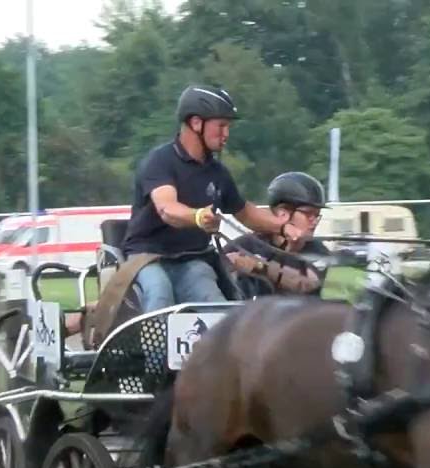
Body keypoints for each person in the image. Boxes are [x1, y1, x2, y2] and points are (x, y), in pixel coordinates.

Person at [123, 84, 311, 312]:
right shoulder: (160, 161)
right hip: (146, 257)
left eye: (228, 127)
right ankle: (153, 348)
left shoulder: (217, 172)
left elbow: (246, 213)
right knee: (159, 290)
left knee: (214, 301)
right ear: (196, 123)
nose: (226, 134)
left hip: (191, 260)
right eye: (221, 126)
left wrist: (283, 227)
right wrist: (199, 216)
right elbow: (167, 209)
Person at [225, 172, 329, 298]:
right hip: (253, 315)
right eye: (308, 214)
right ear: (282, 213)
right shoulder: (245, 245)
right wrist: (230, 263)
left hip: (300, 316)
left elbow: (309, 282)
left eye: (317, 215)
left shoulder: (317, 250)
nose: (314, 221)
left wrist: (260, 267)